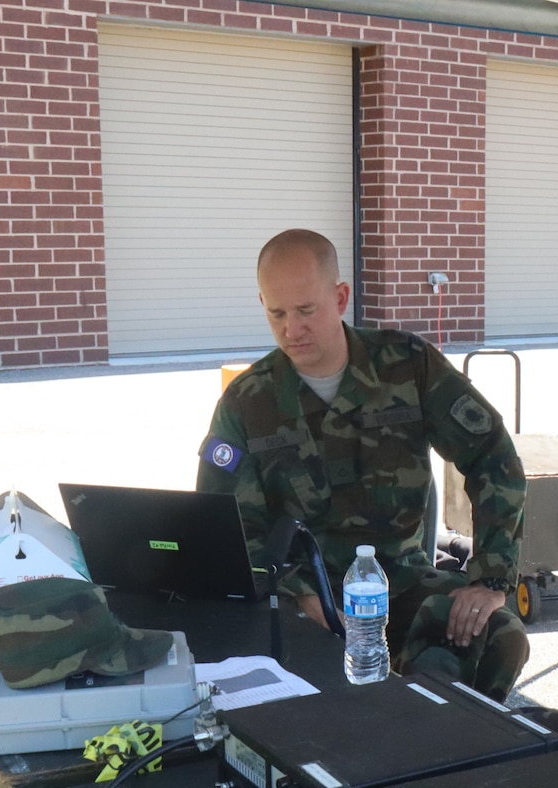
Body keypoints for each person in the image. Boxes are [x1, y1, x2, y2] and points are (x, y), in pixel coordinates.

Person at [196, 229, 528, 700]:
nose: (292, 329)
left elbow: (494, 457)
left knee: (496, 635)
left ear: (341, 297)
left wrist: (491, 578)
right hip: (301, 602)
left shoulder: (408, 367)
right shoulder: (248, 402)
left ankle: (448, 755)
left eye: (306, 310)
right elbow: (227, 527)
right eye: (277, 313)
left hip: (400, 584)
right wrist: (297, 593)